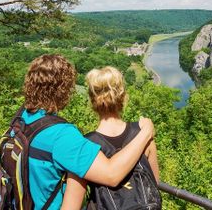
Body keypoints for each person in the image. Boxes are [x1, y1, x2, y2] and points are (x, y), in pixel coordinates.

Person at [18, 54, 155, 210]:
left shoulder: (21, 122)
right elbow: (112, 174)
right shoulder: (61, 137)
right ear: (63, 91)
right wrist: (146, 132)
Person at [62, 66, 160, 209]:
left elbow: (70, 207)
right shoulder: (144, 134)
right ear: (124, 96)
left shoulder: (85, 146)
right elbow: (154, 185)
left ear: (91, 100)